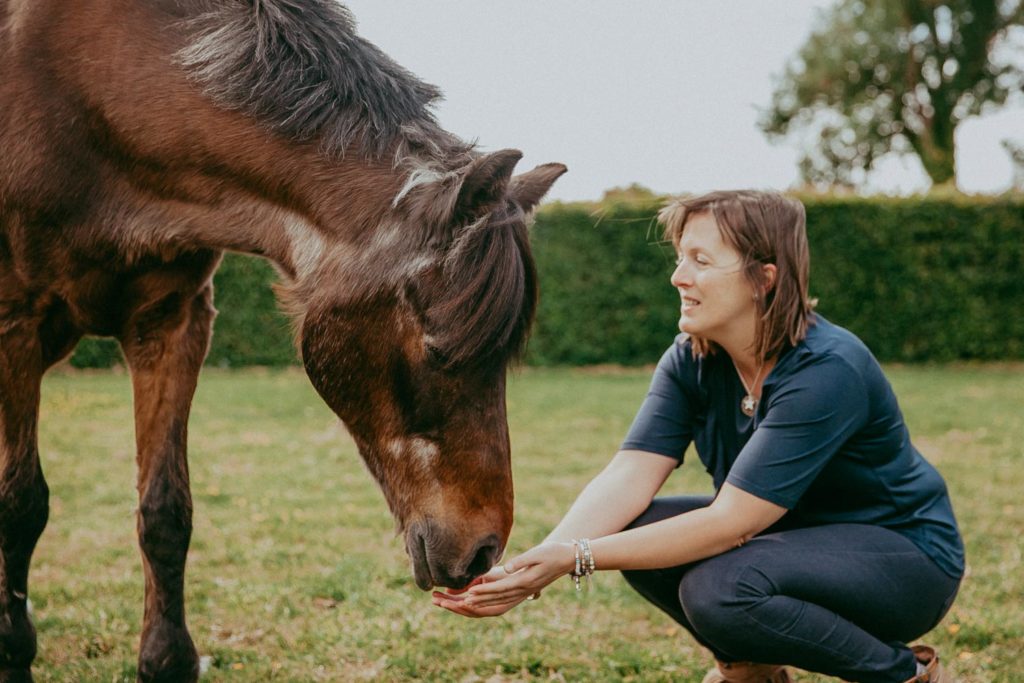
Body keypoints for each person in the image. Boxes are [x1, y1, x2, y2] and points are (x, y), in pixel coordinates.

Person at [432, 190, 964, 683]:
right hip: (791, 542)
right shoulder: (692, 358)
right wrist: (537, 563)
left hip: (905, 560)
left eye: (700, 261)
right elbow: (630, 473)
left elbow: (730, 523)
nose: (678, 277)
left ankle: (904, 674)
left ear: (764, 278)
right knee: (635, 530)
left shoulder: (828, 370)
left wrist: (577, 557)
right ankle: (751, 670)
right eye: (680, 257)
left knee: (720, 590)